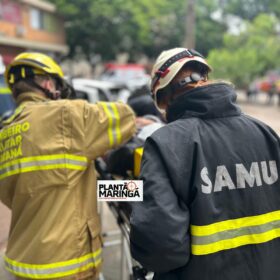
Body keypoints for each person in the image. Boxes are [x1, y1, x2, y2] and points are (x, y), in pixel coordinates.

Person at [130, 47, 280, 280]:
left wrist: (112, 190)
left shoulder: (164, 141)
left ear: (164, 97)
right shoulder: (265, 133)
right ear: (206, 79)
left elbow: (159, 247)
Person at [0, 52, 136, 280]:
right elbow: (126, 117)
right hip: (66, 266)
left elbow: (59, 192)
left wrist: (133, 190)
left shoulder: (5, 134)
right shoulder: (64, 114)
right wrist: (140, 190)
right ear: (47, 83)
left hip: (22, 264)